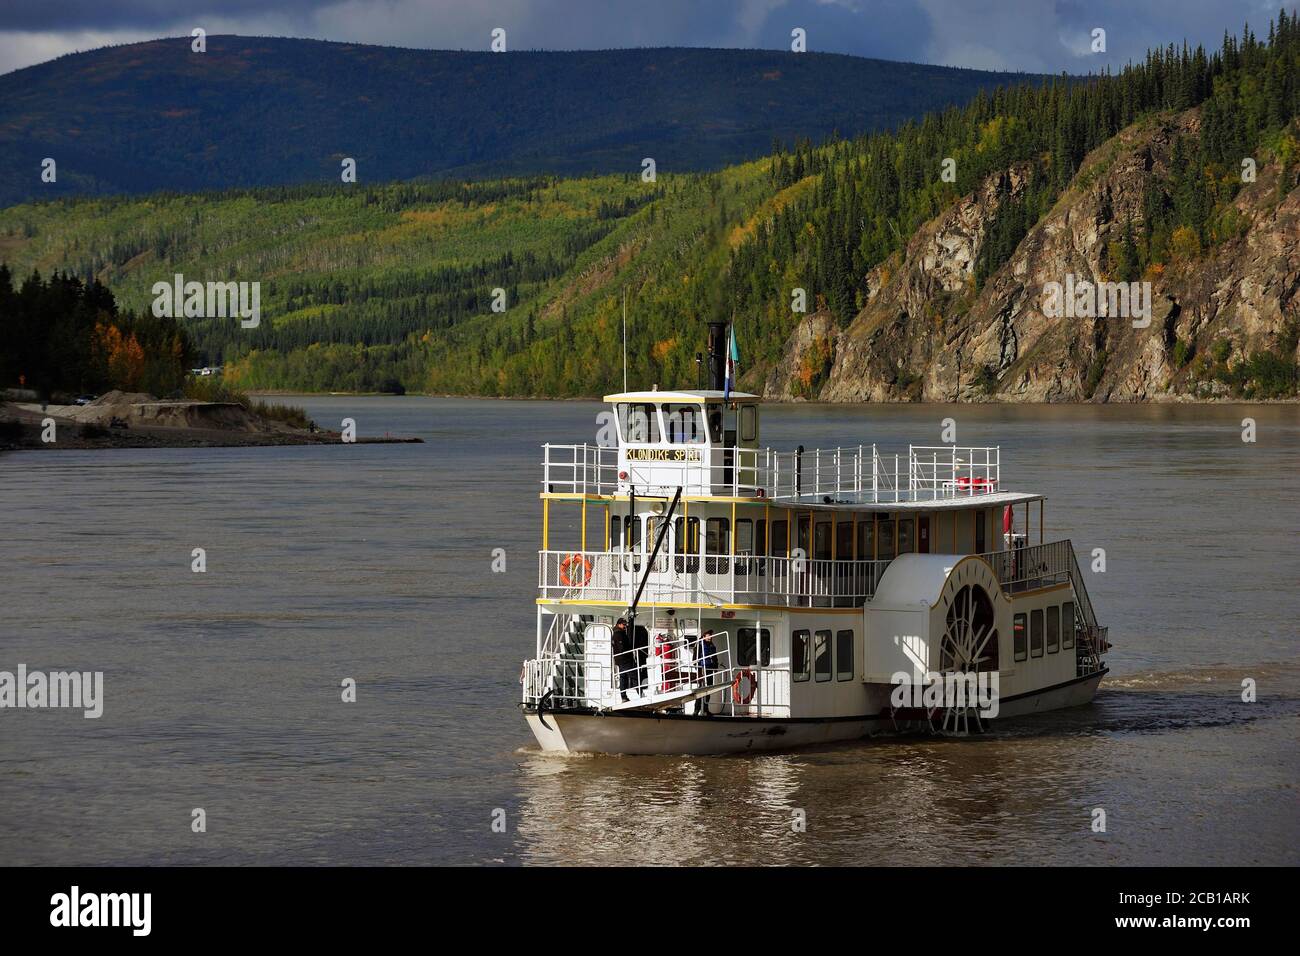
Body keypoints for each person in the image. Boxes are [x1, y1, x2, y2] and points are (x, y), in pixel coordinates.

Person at [694, 630, 718, 716]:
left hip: (710, 669)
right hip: (702, 669)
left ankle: (705, 709)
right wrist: (699, 669)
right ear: (704, 636)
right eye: (709, 635)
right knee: (701, 689)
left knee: (709, 690)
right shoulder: (699, 645)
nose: (711, 637)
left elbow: (715, 658)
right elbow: (695, 659)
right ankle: (696, 709)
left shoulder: (712, 646)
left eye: (711, 635)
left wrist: (715, 667)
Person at [611, 618, 632, 701]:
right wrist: (628, 652)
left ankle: (624, 696)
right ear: (619, 624)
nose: (625, 626)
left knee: (624, 677)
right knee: (633, 675)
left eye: (626, 625)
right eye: (624, 624)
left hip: (621, 659)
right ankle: (640, 693)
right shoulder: (618, 634)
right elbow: (621, 648)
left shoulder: (619, 633)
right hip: (623, 659)